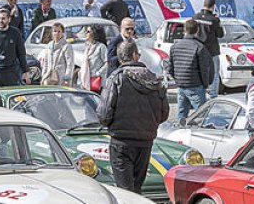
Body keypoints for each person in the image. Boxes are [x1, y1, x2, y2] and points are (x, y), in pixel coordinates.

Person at [97, 40, 168, 194]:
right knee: (135, 190)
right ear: (136, 56)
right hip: (145, 142)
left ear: (121, 58)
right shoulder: (155, 79)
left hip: (122, 142)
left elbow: (103, 114)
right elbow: (164, 114)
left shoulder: (116, 78)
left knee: (126, 192)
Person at [167, 19, 213, 122]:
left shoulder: (174, 47)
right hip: (196, 86)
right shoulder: (200, 47)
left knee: (181, 116)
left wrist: (179, 80)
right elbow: (204, 69)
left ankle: (178, 134)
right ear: (197, 31)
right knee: (202, 116)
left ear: (184, 30)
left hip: (181, 86)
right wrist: (206, 85)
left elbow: (170, 68)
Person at [0, 7, 30, 86]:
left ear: (9, 19)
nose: (0, 21)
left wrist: (25, 71)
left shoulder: (15, 33)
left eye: (3, 18)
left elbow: (21, 53)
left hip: (12, 73)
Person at [192, 0, 225, 98]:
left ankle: (200, 95)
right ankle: (213, 97)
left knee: (198, 74)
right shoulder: (214, 20)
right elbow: (220, 34)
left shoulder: (195, 17)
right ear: (213, 6)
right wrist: (219, 23)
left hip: (198, 50)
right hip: (212, 52)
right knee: (214, 75)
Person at [41, 22, 75, 86]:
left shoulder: (67, 46)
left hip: (61, 79)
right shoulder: (49, 45)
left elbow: (70, 64)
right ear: (52, 33)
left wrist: (67, 79)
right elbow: (46, 62)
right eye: (55, 31)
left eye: (59, 31)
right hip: (49, 78)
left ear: (62, 33)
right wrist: (43, 75)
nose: (57, 33)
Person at [78, 25, 109, 92]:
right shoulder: (87, 46)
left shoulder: (101, 47)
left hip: (96, 80)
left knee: (95, 99)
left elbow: (107, 63)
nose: (86, 33)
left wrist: (98, 73)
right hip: (86, 79)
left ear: (94, 34)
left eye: (88, 31)